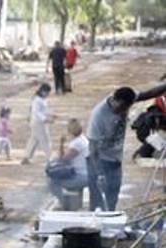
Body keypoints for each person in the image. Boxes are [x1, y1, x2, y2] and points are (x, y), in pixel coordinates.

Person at [87, 79, 166, 210]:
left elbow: (150, 93)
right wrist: (99, 174)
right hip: (97, 161)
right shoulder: (98, 116)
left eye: (126, 108)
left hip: (115, 159)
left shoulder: (127, 98)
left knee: (112, 196)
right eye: (121, 107)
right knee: (97, 203)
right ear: (115, 99)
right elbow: (92, 149)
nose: (123, 111)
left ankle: (110, 219)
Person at [47, 118, 89, 206]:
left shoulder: (76, 144)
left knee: (52, 182)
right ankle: (76, 203)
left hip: (81, 175)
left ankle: (65, 203)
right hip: (86, 173)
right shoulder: (83, 139)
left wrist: (61, 143)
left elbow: (63, 159)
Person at [21, 83, 55, 164]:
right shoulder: (37, 100)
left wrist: (52, 114)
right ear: (43, 91)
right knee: (45, 140)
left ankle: (27, 156)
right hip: (38, 122)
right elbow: (36, 112)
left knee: (34, 140)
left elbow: (44, 110)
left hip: (39, 122)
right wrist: (45, 119)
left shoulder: (42, 100)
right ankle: (49, 157)